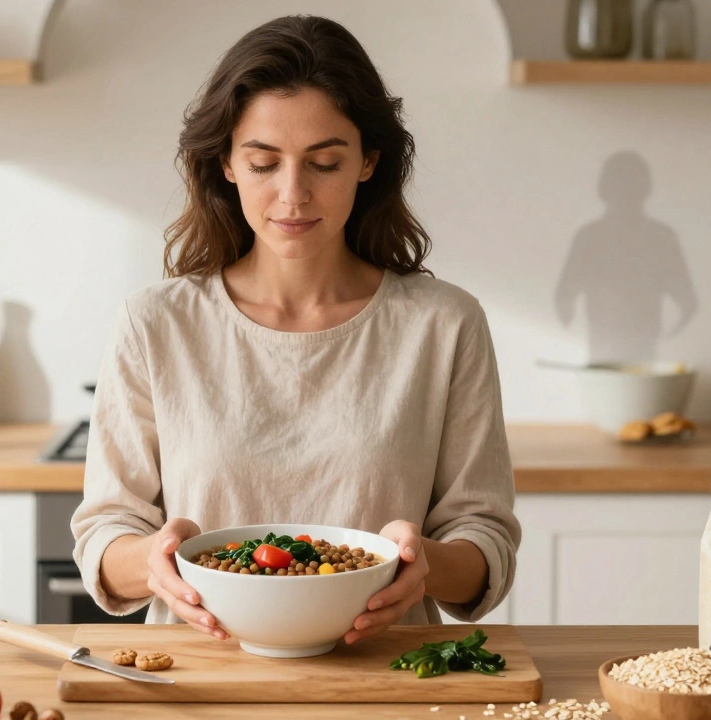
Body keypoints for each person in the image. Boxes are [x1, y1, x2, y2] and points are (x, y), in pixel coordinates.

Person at [72, 14, 520, 645]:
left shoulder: (444, 325)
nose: (293, 194)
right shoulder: (155, 323)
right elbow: (105, 533)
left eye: (324, 163)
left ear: (367, 162)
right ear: (226, 163)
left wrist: (425, 567)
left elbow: (484, 538)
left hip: (387, 679)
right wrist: (150, 561)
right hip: (199, 682)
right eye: (263, 162)